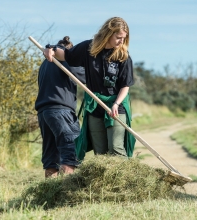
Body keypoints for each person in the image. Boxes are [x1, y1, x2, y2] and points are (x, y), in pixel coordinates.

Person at [43, 17, 136, 161]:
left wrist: (116, 104)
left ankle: (124, 183)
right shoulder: (88, 48)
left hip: (116, 107)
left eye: (124, 38)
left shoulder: (123, 56)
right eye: (118, 37)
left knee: (116, 148)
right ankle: (104, 183)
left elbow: (125, 86)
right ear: (108, 34)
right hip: (94, 106)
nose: (121, 42)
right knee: (100, 153)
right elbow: (66, 55)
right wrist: (50, 50)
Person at [35, 36, 85, 178]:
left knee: (52, 158)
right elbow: (85, 77)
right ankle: (66, 192)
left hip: (44, 112)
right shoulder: (65, 59)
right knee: (71, 148)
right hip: (61, 111)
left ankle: (50, 193)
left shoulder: (45, 63)